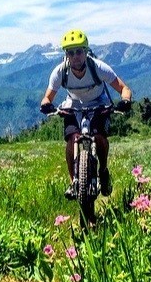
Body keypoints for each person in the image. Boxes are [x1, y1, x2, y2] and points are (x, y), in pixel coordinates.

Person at [40, 29, 132, 199]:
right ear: (66, 55)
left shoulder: (98, 68)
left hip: (98, 102)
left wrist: (125, 100)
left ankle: (103, 170)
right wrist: (46, 105)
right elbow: (47, 97)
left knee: (99, 136)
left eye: (79, 51)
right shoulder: (60, 72)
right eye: (71, 52)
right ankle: (73, 182)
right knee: (71, 138)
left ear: (86, 52)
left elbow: (123, 88)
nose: (75, 56)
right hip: (73, 104)